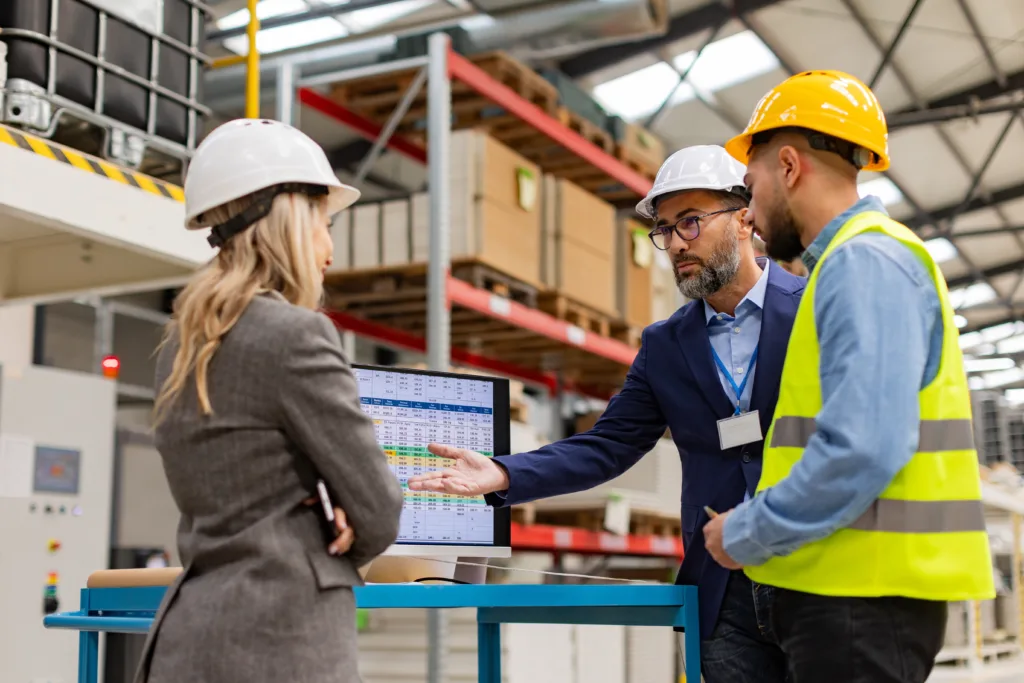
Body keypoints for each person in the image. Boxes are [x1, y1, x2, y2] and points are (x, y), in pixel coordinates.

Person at [408, 145, 805, 682]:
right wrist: (503, 472)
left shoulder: (811, 310)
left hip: (813, 575)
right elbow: (608, 446)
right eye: (664, 230)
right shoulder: (666, 346)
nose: (675, 245)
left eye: (690, 222)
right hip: (722, 590)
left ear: (744, 216)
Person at [703, 70, 995, 683]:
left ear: (787, 166)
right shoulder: (845, 264)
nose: (749, 214)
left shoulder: (863, 261)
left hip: (860, 601)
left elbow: (862, 448)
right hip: (852, 597)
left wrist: (747, 530)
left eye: (750, 185)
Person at [134, 119, 405, 683]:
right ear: (290, 219)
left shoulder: (179, 345)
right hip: (281, 639)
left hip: (187, 634)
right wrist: (335, 529)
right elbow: (379, 509)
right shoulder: (295, 335)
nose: (329, 249)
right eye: (324, 224)